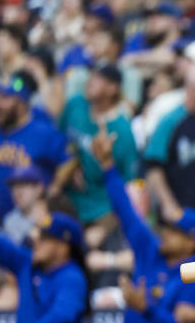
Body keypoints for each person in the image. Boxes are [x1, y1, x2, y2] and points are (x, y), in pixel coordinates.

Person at [92, 129, 195, 323]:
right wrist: (107, 166)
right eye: (166, 228)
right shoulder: (151, 249)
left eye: (174, 231)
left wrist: (146, 308)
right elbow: (125, 211)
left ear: (192, 241)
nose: (165, 233)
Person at [0, 181, 87, 323]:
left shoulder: (72, 277)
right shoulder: (26, 263)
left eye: (45, 237)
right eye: (39, 234)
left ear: (63, 247)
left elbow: (61, 316)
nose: (37, 240)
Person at [0, 71, 73, 219]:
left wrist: (55, 187)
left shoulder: (42, 131)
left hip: (31, 217)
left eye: (5, 98)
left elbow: (69, 158)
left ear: (21, 102)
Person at [144, 65, 195, 237]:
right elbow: (153, 167)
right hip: (179, 205)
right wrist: (168, 204)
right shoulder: (171, 122)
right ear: (190, 89)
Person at [59, 65, 138, 224]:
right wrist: (71, 163)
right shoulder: (76, 104)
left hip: (102, 209)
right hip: (68, 197)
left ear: (112, 88)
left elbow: (131, 183)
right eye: (91, 76)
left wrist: (109, 224)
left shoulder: (122, 130)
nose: (90, 82)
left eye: (98, 79)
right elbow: (58, 138)